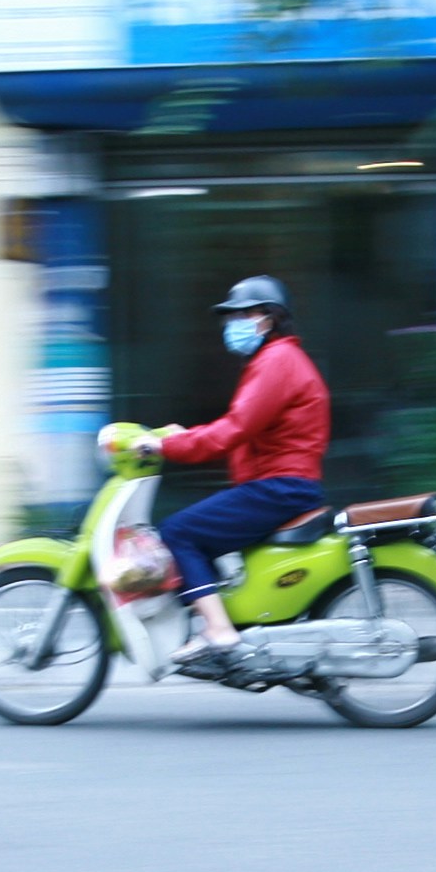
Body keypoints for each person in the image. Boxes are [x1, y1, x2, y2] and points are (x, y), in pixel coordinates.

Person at [155, 275, 327, 671]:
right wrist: (183, 436)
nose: (234, 323)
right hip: (281, 484)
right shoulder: (277, 360)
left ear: (268, 319)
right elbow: (237, 425)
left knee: (178, 532)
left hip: (280, 487)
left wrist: (165, 446)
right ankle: (219, 623)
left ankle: (218, 630)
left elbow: (233, 430)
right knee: (201, 532)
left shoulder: (277, 361)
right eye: (232, 316)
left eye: (244, 314)